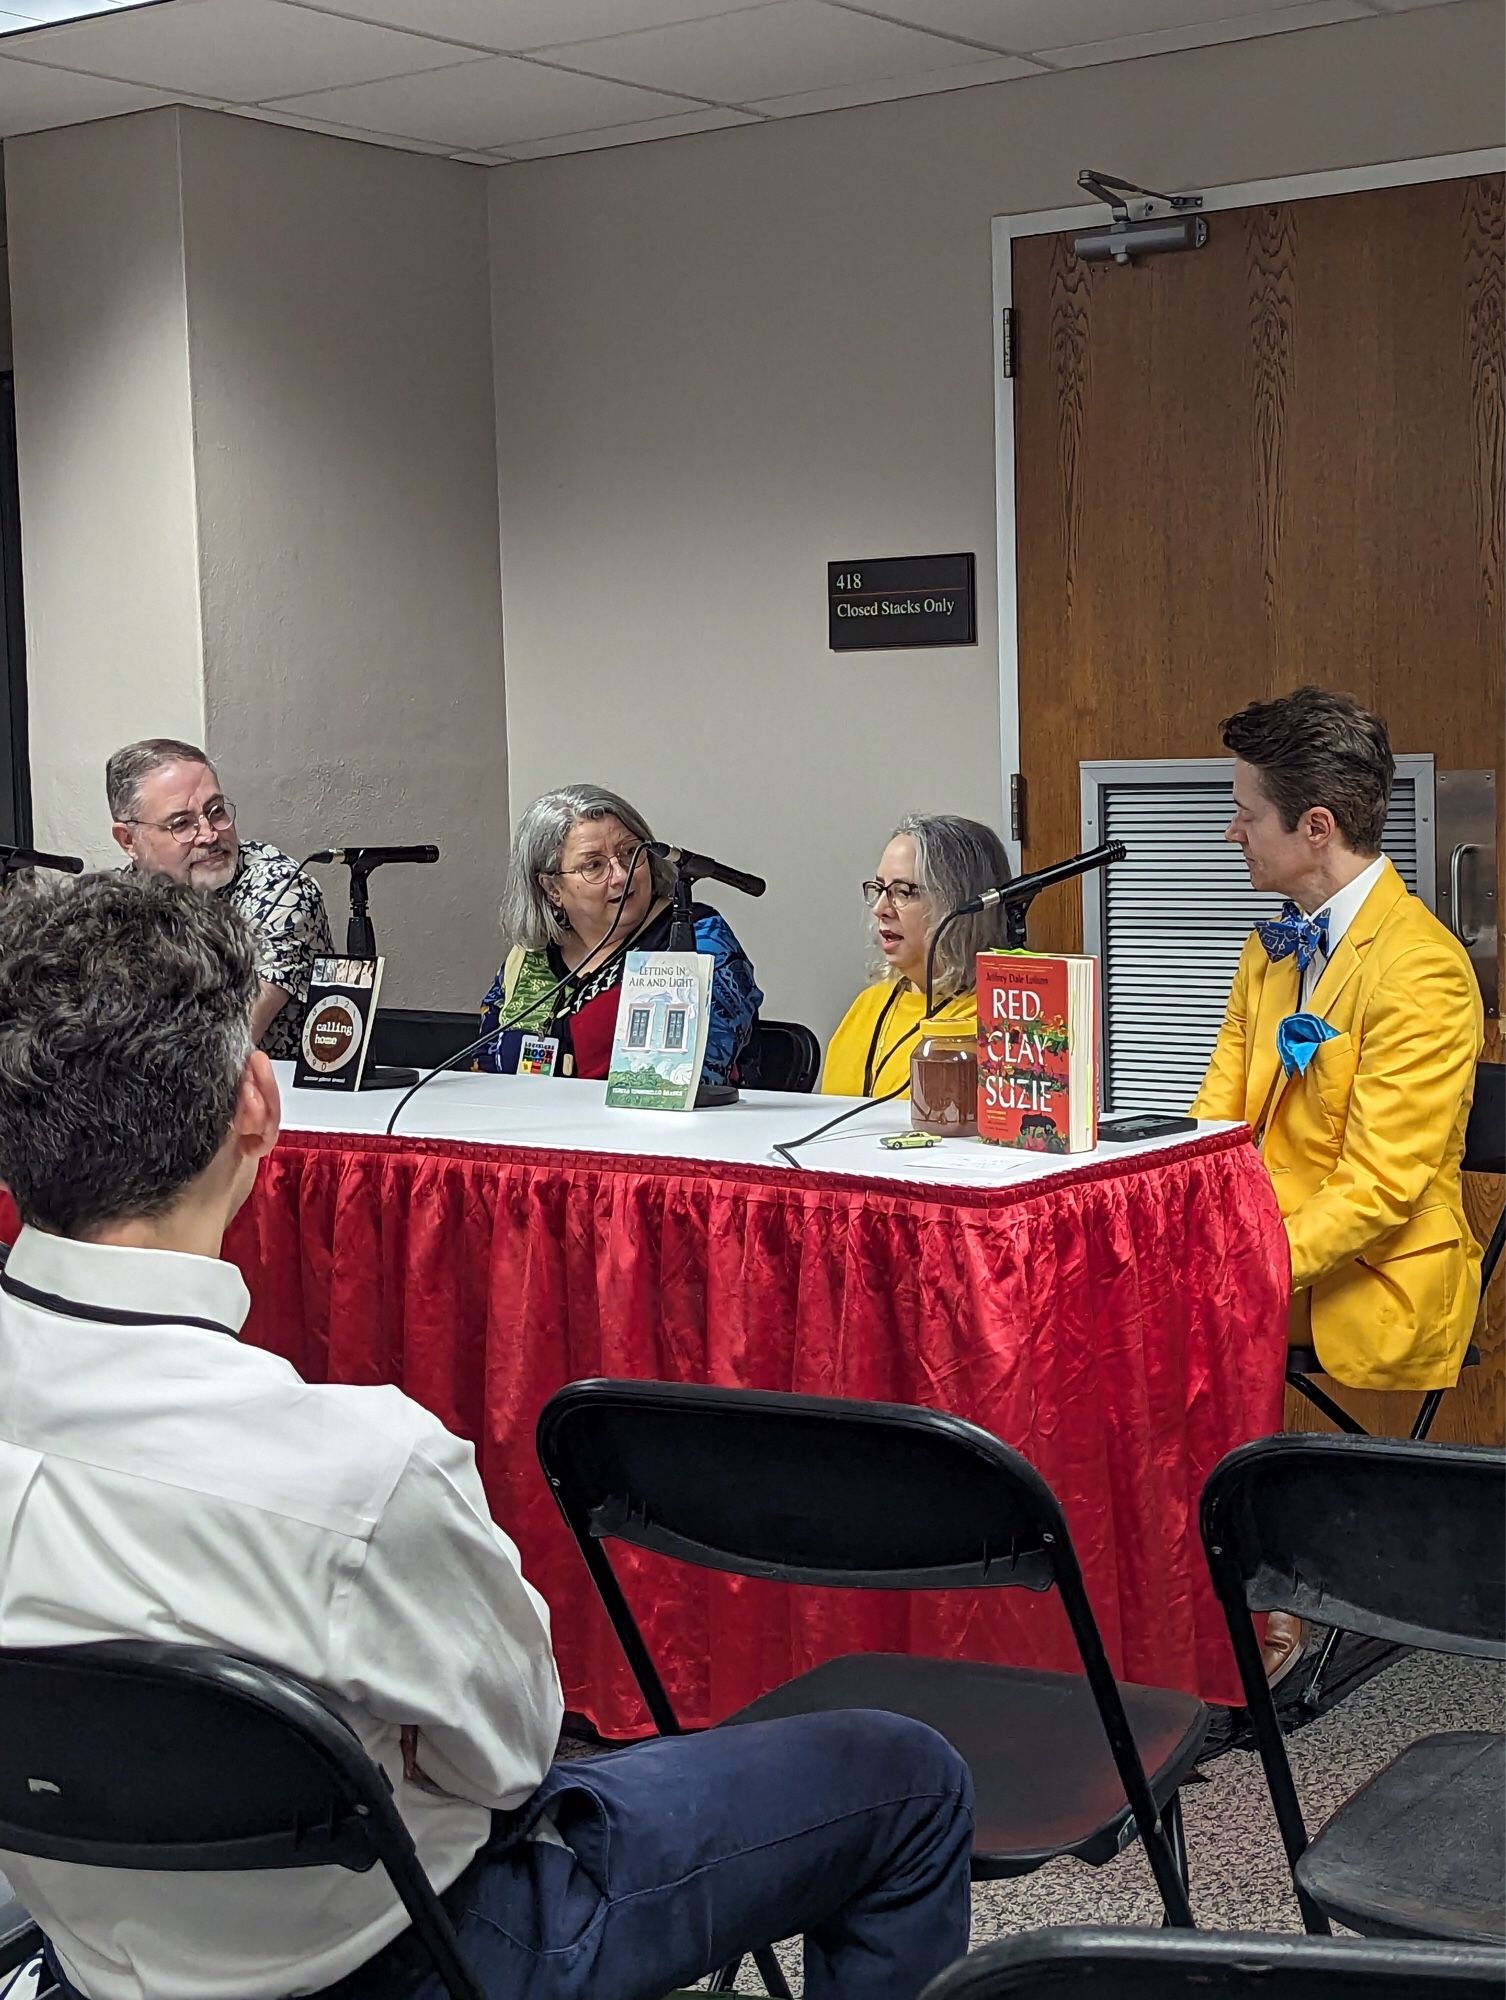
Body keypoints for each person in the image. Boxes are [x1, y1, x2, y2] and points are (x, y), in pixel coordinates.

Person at [0, 873, 971, 2000]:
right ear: (258, 1101)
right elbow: (512, 1757)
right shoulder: (358, 1470)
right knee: (906, 1776)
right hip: (418, 1956)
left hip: (88, 1956)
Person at [1190, 687, 1484, 1680]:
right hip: (1273, 1251)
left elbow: (1380, 1188)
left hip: (1373, 1271)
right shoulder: (1265, 948)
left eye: (1246, 813)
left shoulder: (1425, 971)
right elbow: (1213, 1128)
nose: (1233, 832)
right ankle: (1188, 1594)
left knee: (1180, 1315)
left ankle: (1251, 1600)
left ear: (1315, 828)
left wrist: (1236, 1265)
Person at [480, 784, 762, 1086]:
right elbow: (484, 1060)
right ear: (552, 889)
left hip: (656, 1130)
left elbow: (689, 1078)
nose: (621, 875)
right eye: (594, 865)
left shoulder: (695, 939)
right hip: (527, 1126)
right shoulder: (531, 954)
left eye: (630, 852)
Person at [106, 736, 333, 1061]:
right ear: (129, 840)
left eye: (216, 811)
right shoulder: (112, 902)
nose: (210, 834)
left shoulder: (281, 889)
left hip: (267, 1104)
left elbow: (219, 1050)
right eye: (181, 824)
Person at [823, 814, 1013, 1097]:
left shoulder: (996, 1020)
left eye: (903, 892)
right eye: (879, 889)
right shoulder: (868, 1004)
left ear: (959, 903)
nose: (880, 909)